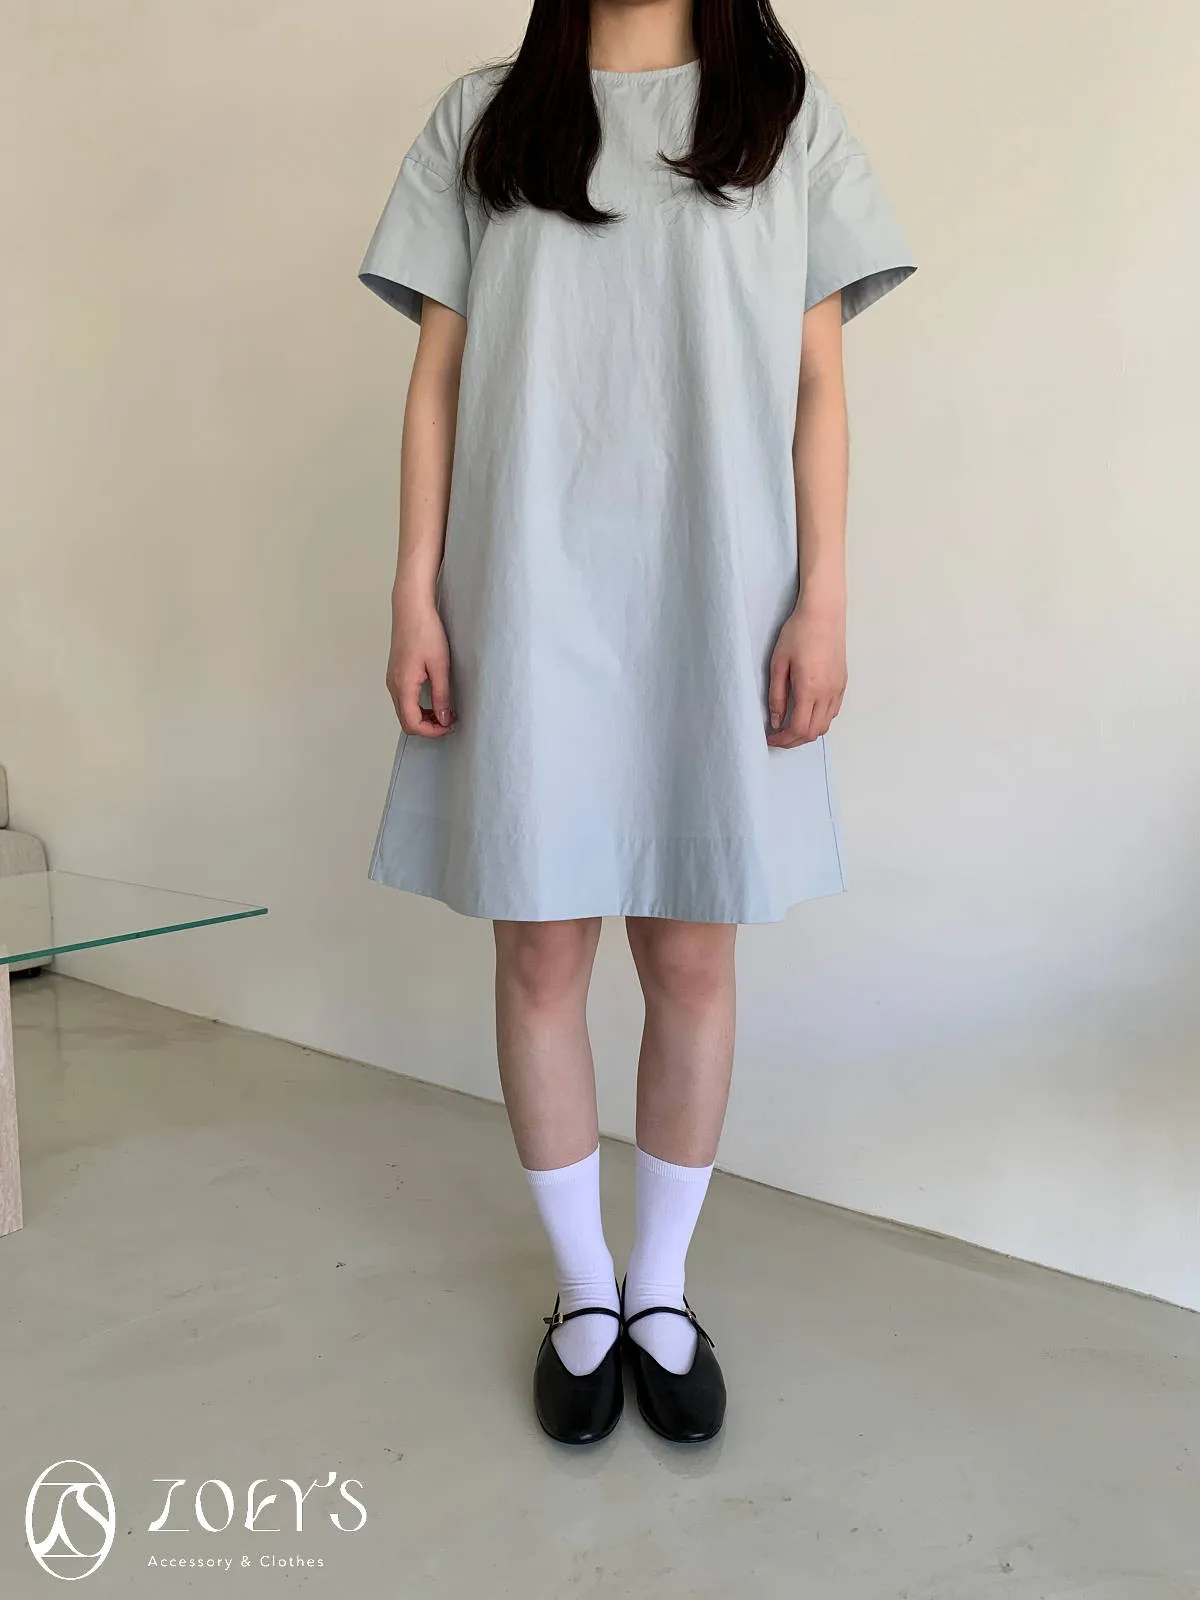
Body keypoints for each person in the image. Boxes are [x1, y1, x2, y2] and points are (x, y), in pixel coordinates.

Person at [357, 0, 915, 1446]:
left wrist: (823, 600)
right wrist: (416, 592)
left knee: (691, 953)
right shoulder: (486, 118)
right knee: (541, 948)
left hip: (713, 593)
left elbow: (819, 386)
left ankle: (660, 1290)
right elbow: (437, 380)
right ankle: (583, 1292)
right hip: (526, 590)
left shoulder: (782, 117)